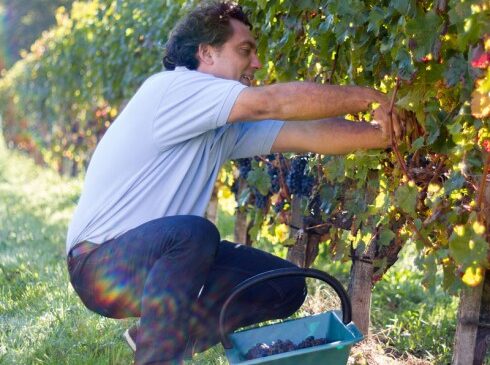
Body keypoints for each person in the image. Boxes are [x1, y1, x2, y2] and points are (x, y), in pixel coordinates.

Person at [65, 1, 402, 364]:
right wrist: (370, 97)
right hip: (101, 265)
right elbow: (270, 103)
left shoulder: (219, 125)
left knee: (283, 284)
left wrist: (382, 134)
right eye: (245, 51)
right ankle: (157, 357)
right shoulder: (174, 89)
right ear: (206, 54)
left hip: (160, 260)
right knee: (195, 233)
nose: (256, 63)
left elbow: (307, 133)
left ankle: (157, 334)